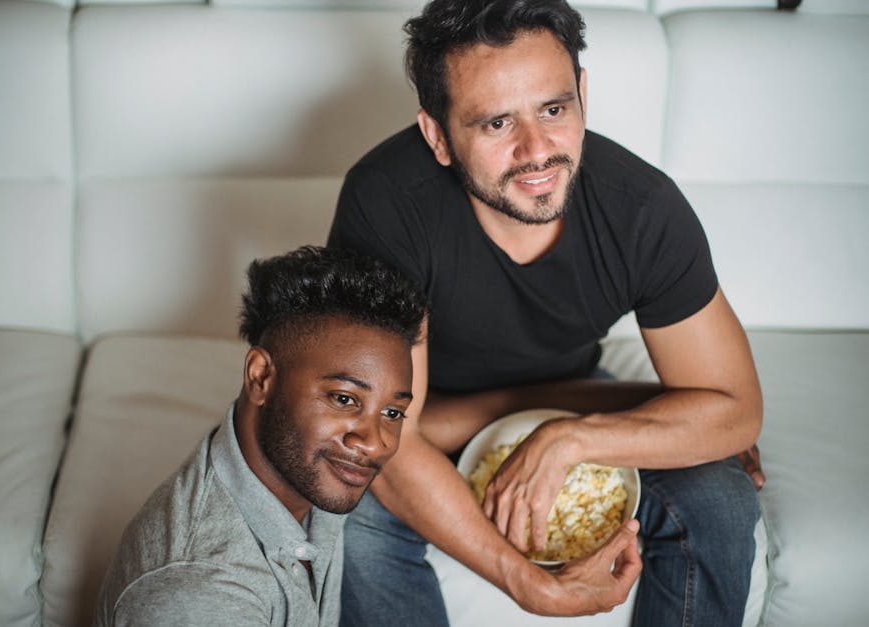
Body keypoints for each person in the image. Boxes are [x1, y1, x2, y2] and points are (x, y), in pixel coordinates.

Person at [327, 0, 765, 625]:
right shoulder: (387, 205)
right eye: (496, 124)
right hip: (419, 422)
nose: (537, 151)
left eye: (554, 109)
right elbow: (390, 438)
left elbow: (736, 408)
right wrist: (526, 582)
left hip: (564, 405)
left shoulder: (641, 209)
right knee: (353, 500)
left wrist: (571, 433)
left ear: (582, 93)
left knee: (720, 497)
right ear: (438, 136)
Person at [94, 246, 429, 626]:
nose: (374, 443)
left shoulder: (310, 470)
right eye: (343, 399)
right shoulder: (202, 595)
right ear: (260, 378)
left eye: (392, 413)